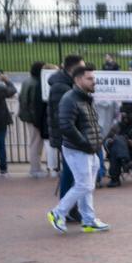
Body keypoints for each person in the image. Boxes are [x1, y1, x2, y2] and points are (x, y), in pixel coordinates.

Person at [47, 65, 110, 233]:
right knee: (83, 184)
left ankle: (88, 220)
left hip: (89, 149)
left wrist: (94, 144)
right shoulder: (70, 99)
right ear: (78, 80)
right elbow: (66, 126)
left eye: (93, 78)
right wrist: (85, 144)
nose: (93, 81)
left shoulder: (85, 98)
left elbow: (90, 123)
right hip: (78, 149)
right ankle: (57, 212)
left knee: (87, 186)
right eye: (89, 78)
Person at [49, 55, 86, 221]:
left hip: (70, 136)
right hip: (67, 137)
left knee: (73, 174)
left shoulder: (66, 85)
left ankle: (70, 209)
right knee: (70, 174)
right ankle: (65, 210)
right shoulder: (61, 87)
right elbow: (63, 117)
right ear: (72, 69)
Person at [103, 104, 132, 187]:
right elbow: (106, 140)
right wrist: (110, 141)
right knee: (117, 143)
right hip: (121, 153)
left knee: (117, 143)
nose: (124, 119)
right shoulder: (117, 125)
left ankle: (115, 179)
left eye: (127, 116)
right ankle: (126, 161)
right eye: (123, 116)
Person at [18, 61, 49, 177]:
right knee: (36, 143)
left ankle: (35, 167)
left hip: (27, 116)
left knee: (34, 142)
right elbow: (33, 104)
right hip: (33, 117)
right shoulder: (36, 83)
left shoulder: (27, 80)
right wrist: (37, 120)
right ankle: (35, 168)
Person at [41, 64, 60, 177]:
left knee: (51, 146)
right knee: (51, 146)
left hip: (47, 119)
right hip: (49, 119)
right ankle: (53, 167)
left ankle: (52, 167)